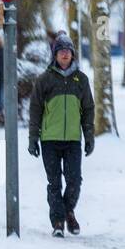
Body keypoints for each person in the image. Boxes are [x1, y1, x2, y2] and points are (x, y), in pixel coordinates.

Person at [28, 35, 94, 237]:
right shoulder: (44, 80)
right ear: (55, 54)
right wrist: (33, 138)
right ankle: (58, 222)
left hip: (73, 139)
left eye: (68, 50)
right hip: (49, 139)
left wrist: (89, 136)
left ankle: (68, 211)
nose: (65, 53)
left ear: (73, 54)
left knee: (74, 181)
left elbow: (88, 109)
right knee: (54, 183)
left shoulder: (81, 80)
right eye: (61, 50)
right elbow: (35, 110)